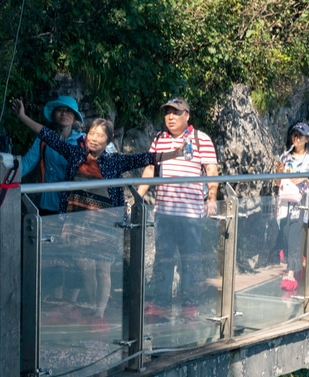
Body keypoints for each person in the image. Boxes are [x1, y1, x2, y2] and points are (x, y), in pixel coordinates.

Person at [11, 99, 184, 322]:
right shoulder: (75, 154)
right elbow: (47, 136)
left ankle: (98, 313)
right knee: (82, 264)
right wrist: (23, 117)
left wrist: (175, 153)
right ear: (86, 134)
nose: (94, 139)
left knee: (102, 268)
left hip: (105, 222)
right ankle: (91, 306)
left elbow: (146, 157)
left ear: (108, 140)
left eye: (100, 136)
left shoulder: (115, 161)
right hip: (79, 221)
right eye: (92, 133)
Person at [140, 98, 219, 321]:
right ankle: (161, 303)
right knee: (163, 258)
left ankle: (189, 304)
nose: (170, 117)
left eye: (176, 112)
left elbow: (212, 170)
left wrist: (211, 198)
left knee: (190, 259)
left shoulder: (200, 139)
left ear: (187, 115)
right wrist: (137, 197)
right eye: (167, 113)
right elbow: (149, 169)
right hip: (164, 211)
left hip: (191, 213)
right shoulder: (159, 139)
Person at [13, 94, 85, 213]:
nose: (64, 114)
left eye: (68, 111)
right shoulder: (43, 140)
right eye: (60, 110)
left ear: (75, 117)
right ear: (54, 115)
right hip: (47, 204)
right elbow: (26, 164)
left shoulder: (83, 141)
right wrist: (2, 177)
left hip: (73, 206)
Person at [275, 121, 309, 292]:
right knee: (284, 234)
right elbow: (277, 182)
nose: (296, 139)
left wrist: (305, 178)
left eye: (300, 135)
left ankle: (291, 274)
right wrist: (278, 171)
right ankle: (297, 263)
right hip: (284, 202)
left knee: (295, 237)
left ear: (307, 138)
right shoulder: (285, 156)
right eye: (294, 135)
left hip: (300, 203)